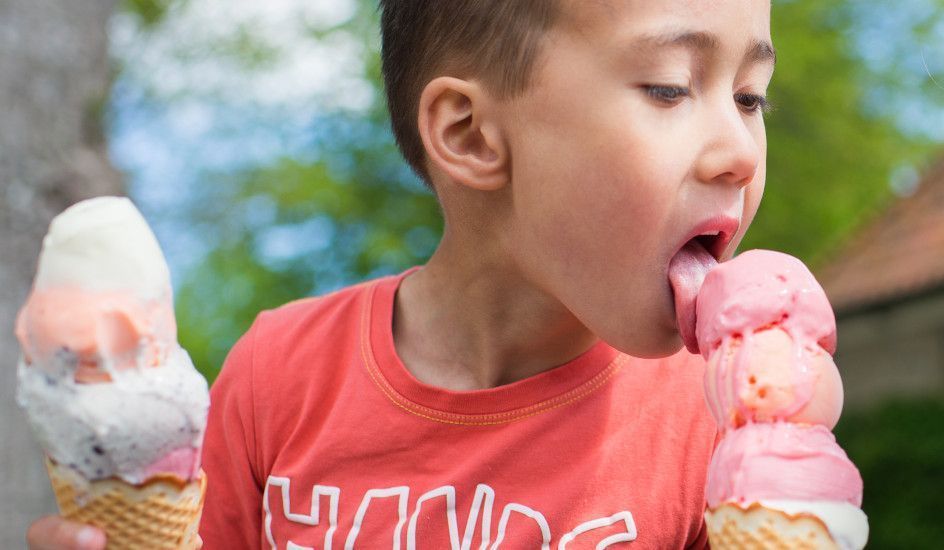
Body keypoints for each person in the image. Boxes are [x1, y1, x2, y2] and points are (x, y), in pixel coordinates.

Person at [28, 0, 775, 547]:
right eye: (672, 87)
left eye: (749, 97)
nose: (739, 149)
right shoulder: (280, 376)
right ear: (471, 133)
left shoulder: (719, 426)